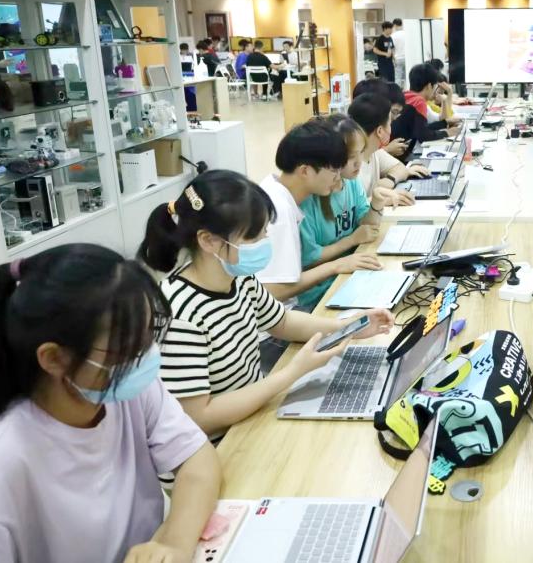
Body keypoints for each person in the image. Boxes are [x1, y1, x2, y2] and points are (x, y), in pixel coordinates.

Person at [0, 244, 222, 562]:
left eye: (148, 337)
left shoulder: (124, 387)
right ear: (54, 358)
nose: (146, 356)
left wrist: (174, 545)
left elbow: (197, 459)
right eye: (127, 346)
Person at [138, 170, 394, 447]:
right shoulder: (179, 314)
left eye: (264, 233)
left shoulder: (238, 277)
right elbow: (200, 417)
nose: (263, 244)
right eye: (254, 237)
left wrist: (348, 327)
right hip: (217, 447)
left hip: (251, 418)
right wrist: (292, 372)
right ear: (208, 240)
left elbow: (281, 322)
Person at [256, 120, 384, 371]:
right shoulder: (278, 211)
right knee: (369, 355)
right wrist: (336, 266)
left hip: (284, 319)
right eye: (333, 169)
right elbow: (273, 292)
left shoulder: (277, 191)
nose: (338, 178)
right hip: (272, 335)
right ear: (305, 171)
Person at [297, 115, 392, 310]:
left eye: (361, 153)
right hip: (320, 293)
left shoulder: (351, 183)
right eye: (350, 157)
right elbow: (310, 259)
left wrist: (376, 204)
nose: (358, 163)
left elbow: (367, 229)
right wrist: (351, 240)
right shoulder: (309, 199)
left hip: (349, 274)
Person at [347, 92, 426, 205]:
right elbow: (353, 208)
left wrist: (390, 180)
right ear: (380, 131)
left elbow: (400, 168)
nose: (391, 129)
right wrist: (381, 201)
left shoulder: (374, 152)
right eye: (390, 123)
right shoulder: (349, 166)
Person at [353, 77, 432, 161]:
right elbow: (365, 160)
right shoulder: (354, 140)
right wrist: (387, 150)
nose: (393, 118)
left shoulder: (374, 133)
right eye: (393, 112)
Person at [392, 63, 459, 160]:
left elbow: (421, 129)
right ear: (429, 86)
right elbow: (423, 136)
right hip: (401, 155)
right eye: (435, 86)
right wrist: (448, 133)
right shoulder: (419, 101)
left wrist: (445, 123)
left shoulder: (406, 96)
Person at [391, 18, 406, 89]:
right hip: (407, 58)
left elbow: (392, 48)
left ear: (394, 25)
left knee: (398, 77)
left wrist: (393, 58)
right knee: (406, 77)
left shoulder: (393, 35)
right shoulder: (406, 33)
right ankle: (407, 91)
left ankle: (398, 92)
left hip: (398, 58)